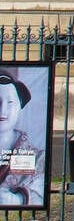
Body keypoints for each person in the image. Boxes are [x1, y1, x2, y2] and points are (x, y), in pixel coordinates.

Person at [0, 71, 44, 207]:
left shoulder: (37, 158)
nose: (3, 110)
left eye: (10, 102)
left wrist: (18, 199)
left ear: (20, 107)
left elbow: (40, 191)